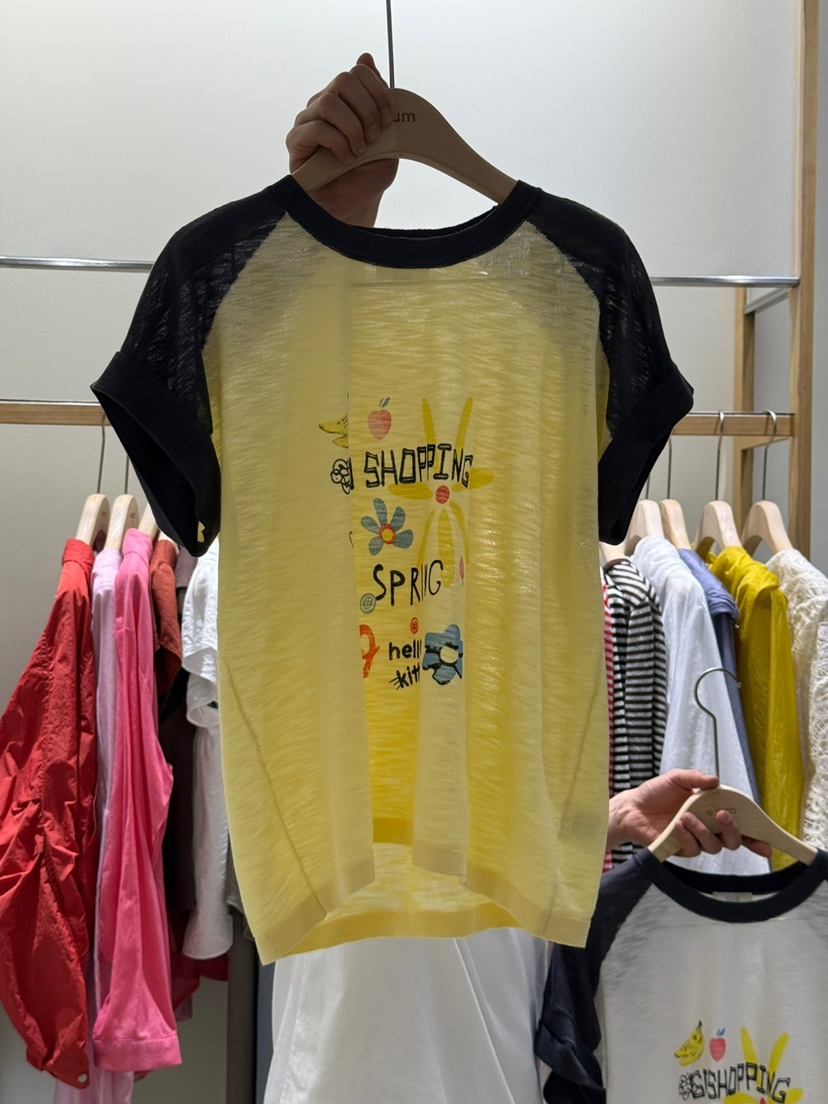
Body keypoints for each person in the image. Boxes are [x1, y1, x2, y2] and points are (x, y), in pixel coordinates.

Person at [258, 56, 774, 1104]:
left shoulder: (508, 588)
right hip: (362, 1072)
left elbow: (464, 829)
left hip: (490, 1061)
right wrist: (322, 232)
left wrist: (604, 826)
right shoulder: (312, 548)